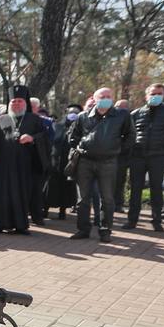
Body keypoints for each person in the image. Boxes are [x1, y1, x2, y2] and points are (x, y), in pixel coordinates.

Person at [66, 87, 132, 242]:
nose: (106, 98)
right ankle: (83, 229)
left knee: (108, 199)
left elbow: (130, 136)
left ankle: (105, 230)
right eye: (102, 96)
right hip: (85, 162)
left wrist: (117, 149)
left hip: (108, 162)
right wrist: (81, 147)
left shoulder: (121, 115)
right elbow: (72, 136)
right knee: (83, 199)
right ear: (94, 99)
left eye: (109, 96)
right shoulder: (83, 116)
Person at [0, 87, 50, 234]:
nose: (16, 104)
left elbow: (45, 138)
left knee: (21, 194)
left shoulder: (35, 120)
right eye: (13, 101)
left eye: (20, 101)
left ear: (25, 103)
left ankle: (21, 226)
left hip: (24, 165)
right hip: (2, 165)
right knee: (1, 194)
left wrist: (32, 139)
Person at [125, 84, 164, 232]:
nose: (155, 96)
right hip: (137, 157)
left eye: (159, 93)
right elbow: (129, 134)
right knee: (135, 189)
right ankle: (132, 220)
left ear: (163, 95)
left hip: (158, 156)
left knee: (156, 189)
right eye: (152, 93)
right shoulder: (136, 113)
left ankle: (157, 221)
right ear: (146, 96)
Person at [44, 104, 81, 220]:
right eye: (71, 112)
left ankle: (63, 210)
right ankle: (45, 209)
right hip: (54, 161)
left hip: (69, 162)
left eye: (76, 112)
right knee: (50, 187)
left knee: (66, 187)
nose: (73, 114)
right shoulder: (57, 126)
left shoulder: (80, 127)